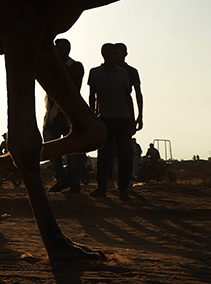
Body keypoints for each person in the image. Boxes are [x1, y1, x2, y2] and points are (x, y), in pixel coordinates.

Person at [88, 43, 136, 200]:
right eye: (114, 53)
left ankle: (123, 189)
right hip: (105, 118)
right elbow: (92, 96)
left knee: (125, 155)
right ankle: (101, 187)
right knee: (104, 155)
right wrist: (92, 116)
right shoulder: (95, 73)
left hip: (122, 117)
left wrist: (132, 118)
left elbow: (128, 96)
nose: (118, 56)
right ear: (106, 54)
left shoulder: (123, 73)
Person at [46, 38, 87, 194]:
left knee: (73, 148)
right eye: (56, 47)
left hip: (69, 112)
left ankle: (73, 180)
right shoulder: (52, 66)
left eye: (61, 47)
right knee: (51, 146)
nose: (58, 50)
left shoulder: (75, 66)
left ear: (68, 49)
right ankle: (61, 178)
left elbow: (73, 83)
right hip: (54, 112)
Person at [115, 43, 144, 134]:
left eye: (120, 52)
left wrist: (140, 115)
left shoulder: (131, 71)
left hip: (126, 107)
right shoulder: (104, 71)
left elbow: (138, 93)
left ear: (125, 54)